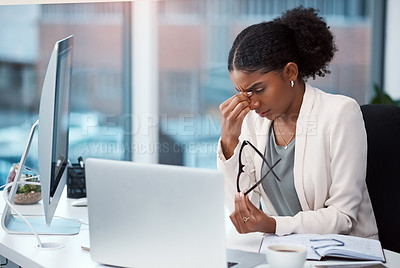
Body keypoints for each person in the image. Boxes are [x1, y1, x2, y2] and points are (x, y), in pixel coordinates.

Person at [217, 6, 378, 239]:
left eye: (258, 89)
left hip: (342, 255)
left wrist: (273, 225)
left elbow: (343, 217)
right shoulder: (254, 122)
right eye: (243, 92)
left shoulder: (340, 113)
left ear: (290, 72)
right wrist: (229, 142)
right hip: (285, 253)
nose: (252, 103)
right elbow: (242, 211)